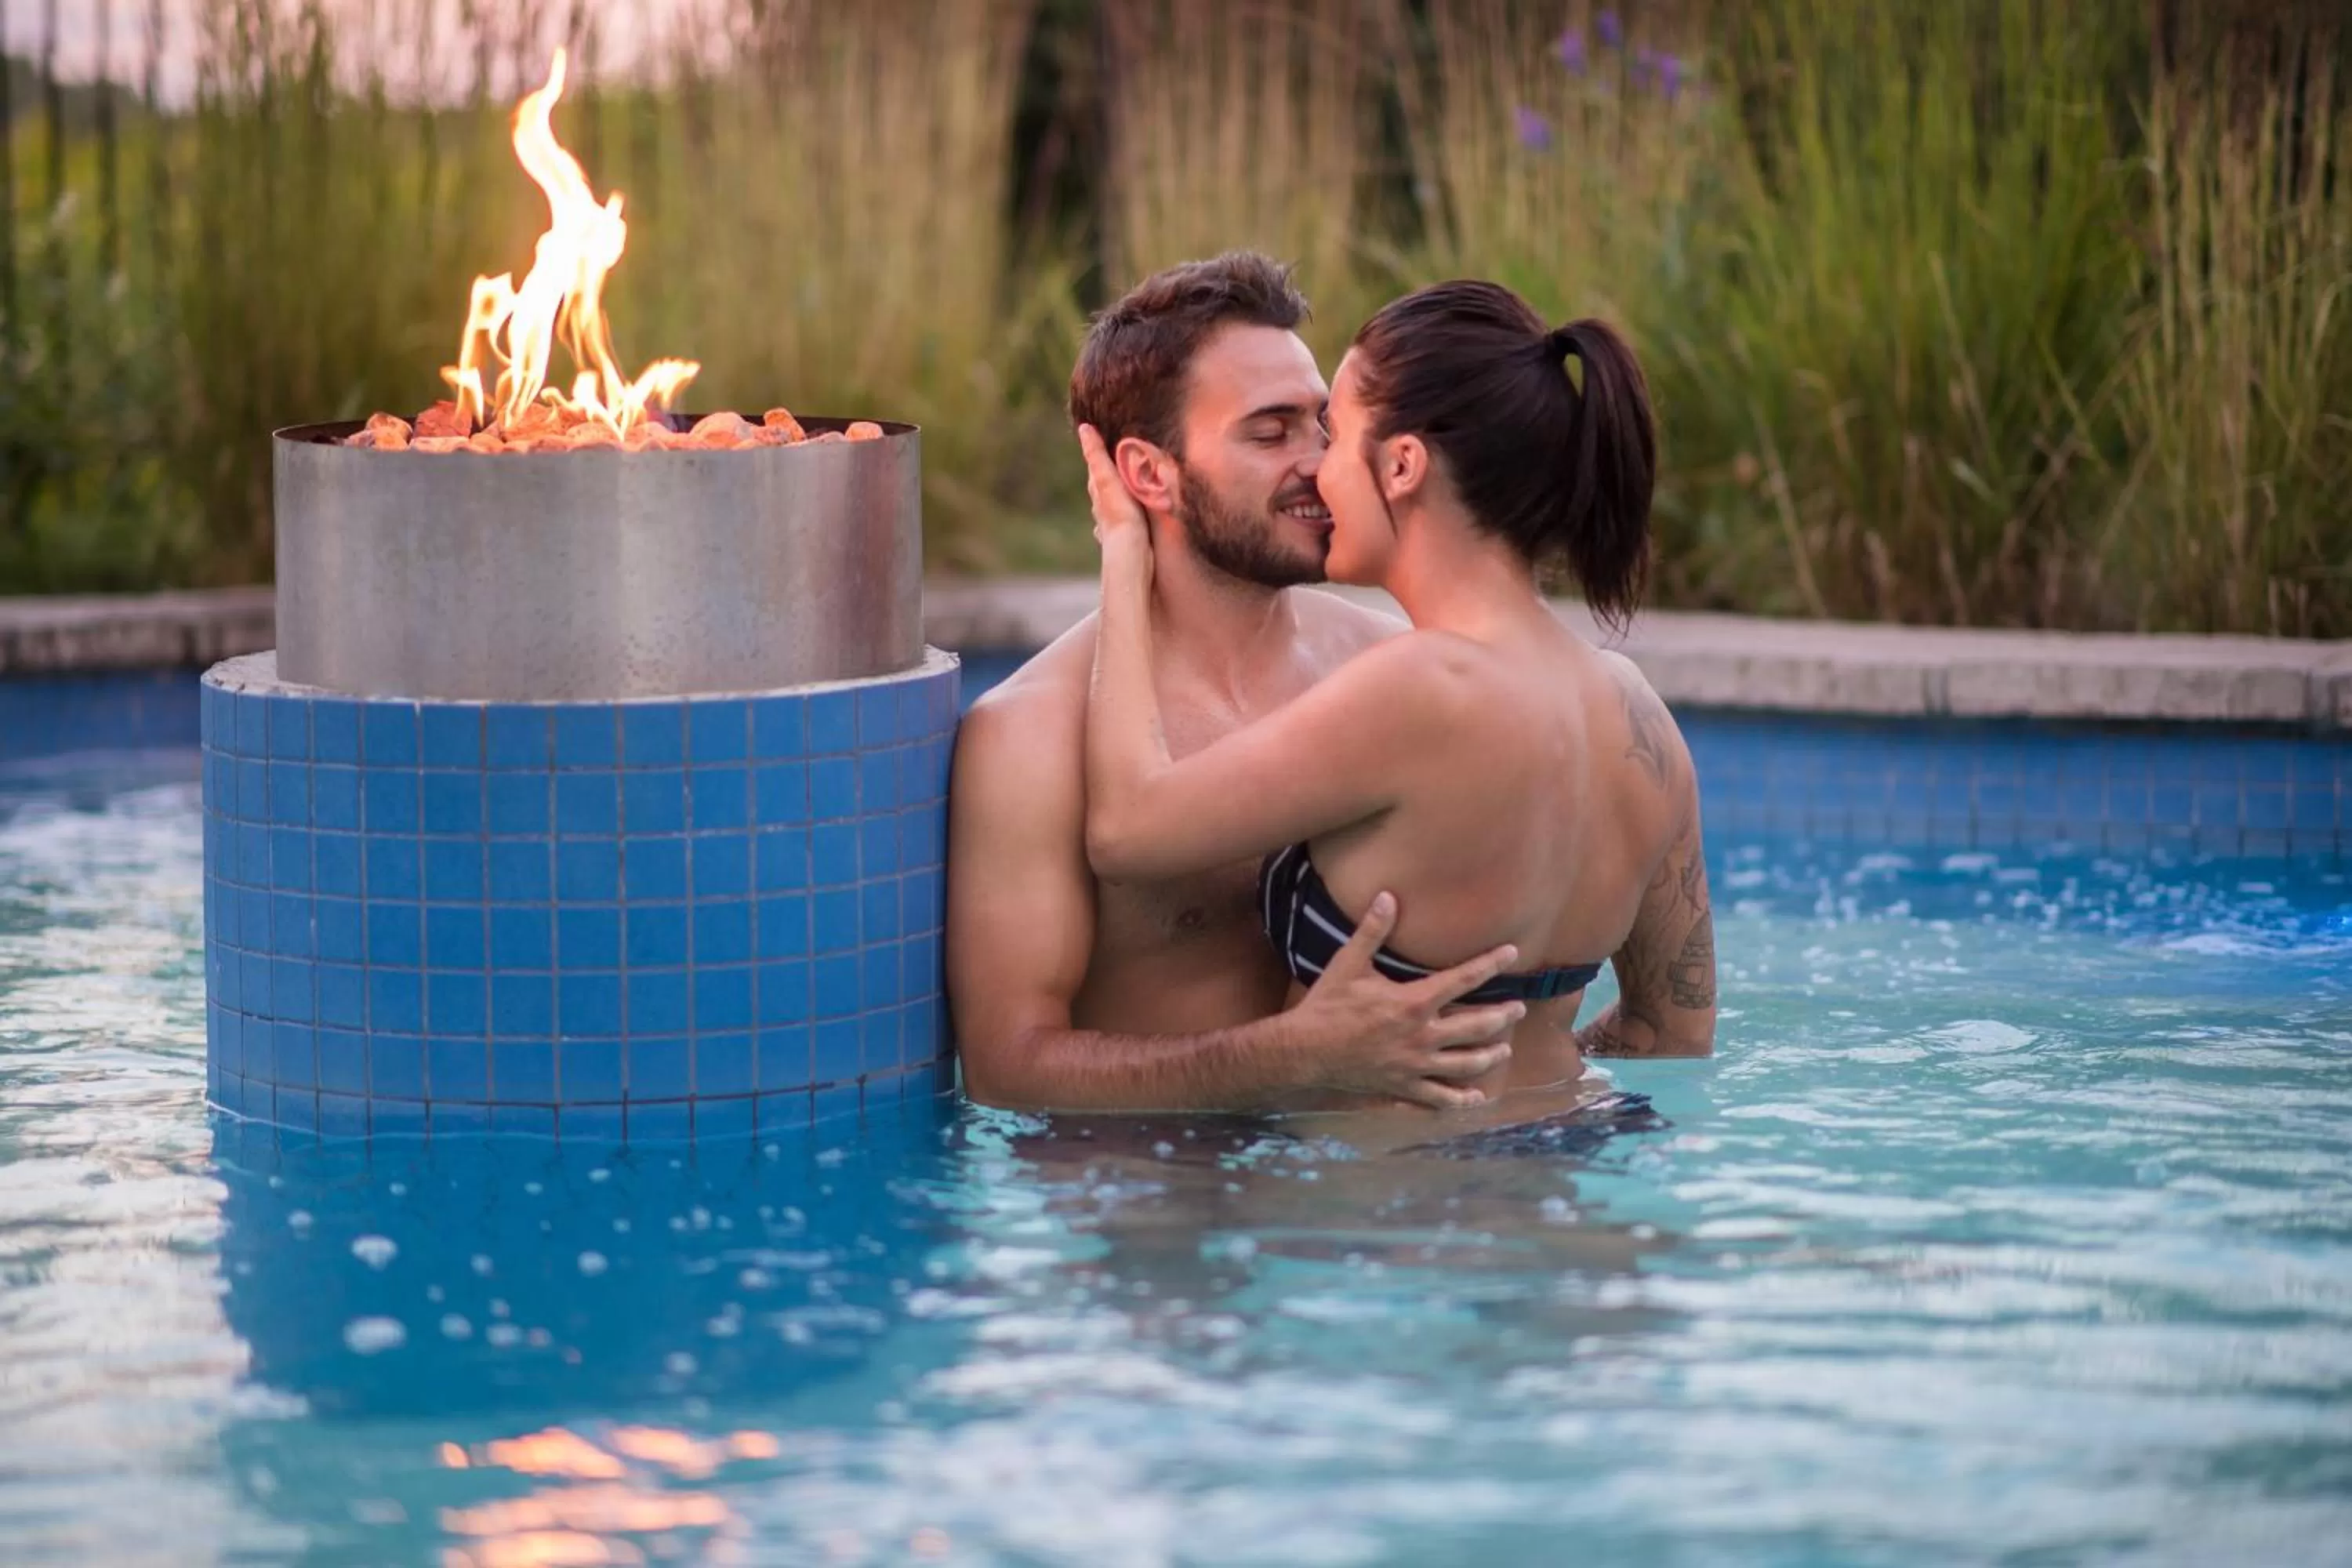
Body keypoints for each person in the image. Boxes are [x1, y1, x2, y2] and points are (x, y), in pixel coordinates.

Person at [1076, 278, 1715, 1142]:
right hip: (1576, 1185)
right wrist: (1531, 1088)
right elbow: (1672, 1033)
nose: (1314, 468)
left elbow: (1125, 826)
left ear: (1403, 464)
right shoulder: (1638, 716)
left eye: (1334, 434)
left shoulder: (1418, 688)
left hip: (1392, 1226)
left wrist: (1123, 551)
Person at [948, 253, 1533, 1113]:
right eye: (1271, 432)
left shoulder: (1385, 669)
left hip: (1351, 1202)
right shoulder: (1030, 735)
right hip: (1157, 1204)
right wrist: (1286, 1059)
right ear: (1151, 474)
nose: (1322, 465)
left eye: (1323, 426)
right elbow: (1006, 1067)